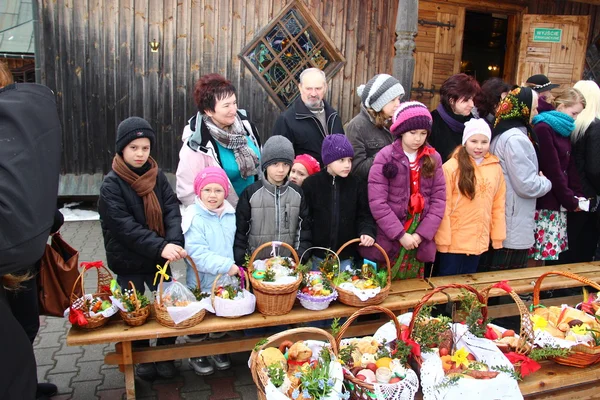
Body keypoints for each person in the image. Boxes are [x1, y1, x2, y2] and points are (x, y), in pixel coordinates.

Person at [98, 117, 186, 381]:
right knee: (134, 312)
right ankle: (140, 358)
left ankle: (165, 355)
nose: (140, 153)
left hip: (159, 259)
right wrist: (162, 246)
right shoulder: (111, 185)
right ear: (122, 149)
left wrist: (174, 242)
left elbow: (171, 209)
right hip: (129, 260)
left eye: (145, 148)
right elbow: (124, 228)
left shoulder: (157, 176)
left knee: (171, 308)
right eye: (134, 147)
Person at [0, 73, 62, 400]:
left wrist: (48, 217)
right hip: (13, 252)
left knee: (26, 322)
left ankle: (29, 382)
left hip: (17, 262)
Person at [366, 102, 446, 279]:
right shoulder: (385, 157)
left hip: (420, 232)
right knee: (385, 282)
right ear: (401, 131)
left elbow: (439, 200)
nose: (418, 138)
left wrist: (421, 234)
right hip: (392, 232)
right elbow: (377, 202)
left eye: (423, 133)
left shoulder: (433, 158)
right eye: (413, 132)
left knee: (414, 285)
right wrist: (400, 235)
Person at [479, 87, 552, 271]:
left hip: (509, 215)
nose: (536, 113)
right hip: (512, 218)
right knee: (506, 280)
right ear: (523, 109)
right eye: (534, 108)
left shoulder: (506, 132)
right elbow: (526, 185)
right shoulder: (515, 139)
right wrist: (546, 182)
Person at [182, 167, 239, 376]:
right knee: (201, 320)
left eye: (218, 190)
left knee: (220, 320)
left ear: (225, 192)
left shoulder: (230, 213)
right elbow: (196, 255)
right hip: (203, 281)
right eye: (207, 190)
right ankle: (197, 352)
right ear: (198, 192)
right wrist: (227, 266)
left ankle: (218, 350)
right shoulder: (194, 217)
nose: (213, 195)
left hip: (226, 280)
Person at [176, 74, 261, 208]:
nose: (234, 110)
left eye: (234, 102)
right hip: (224, 216)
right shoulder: (197, 144)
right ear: (209, 111)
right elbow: (187, 193)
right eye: (226, 105)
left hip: (254, 209)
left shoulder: (246, 126)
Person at [435, 118, 506, 275]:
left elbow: (498, 205)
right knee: (448, 284)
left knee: (470, 284)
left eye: (484, 142)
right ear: (465, 141)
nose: (479, 147)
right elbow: (443, 206)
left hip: (479, 240)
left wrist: (497, 236)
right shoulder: (451, 168)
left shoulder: (495, 168)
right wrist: (443, 240)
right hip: (454, 241)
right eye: (474, 141)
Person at [302, 134, 377, 268]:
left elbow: (364, 214)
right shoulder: (311, 185)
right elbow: (305, 218)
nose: (347, 165)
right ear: (328, 161)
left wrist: (367, 231)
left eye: (349, 160)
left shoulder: (357, 184)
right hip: (317, 254)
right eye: (341, 160)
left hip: (346, 254)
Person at [234, 135, 311, 265]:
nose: (281, 170)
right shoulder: (251, 194)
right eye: (275, 164)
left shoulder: (297, 194)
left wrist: (298, 259)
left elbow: (304, 230)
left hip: (288, 265)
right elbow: (241, 233)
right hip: (256, 266)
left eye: (286, 164)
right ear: (265, 164)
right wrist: (245, 263)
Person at [529, 88, 586, 262]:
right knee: (538, 254)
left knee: (548, 256)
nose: (574, 118)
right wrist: (569, 199)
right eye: (573, 113)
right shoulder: (544, 128)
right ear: (561, 107)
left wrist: (578, 194)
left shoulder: (562, 129)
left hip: (557, 201)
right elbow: (552, 169)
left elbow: (569, 166)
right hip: (546, 202)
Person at [272, 68, 344, 166]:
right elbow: (279, 160)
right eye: (309, 88)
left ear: (325, 87)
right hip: (304, 180)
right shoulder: (286, 120)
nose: (313, 94)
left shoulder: (334, 117)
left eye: (318, 88)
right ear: (300, 88)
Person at [564, 80, 600, 263]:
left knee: (567, 244)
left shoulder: (569, 125)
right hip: (587, 196)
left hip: (568, 191)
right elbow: (595, 168)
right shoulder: (594, 126)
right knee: (582, 247)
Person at [346, 74, 404, 181]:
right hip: (369, 192)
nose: (398, 104)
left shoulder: (399, 122)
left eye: (399, 99)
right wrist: (387, 153)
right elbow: (357, 170)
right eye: (393, 100)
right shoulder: (356, 126)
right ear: (379, 102)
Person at [429, 73, 480, 162]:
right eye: (466, 100)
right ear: (451, 100)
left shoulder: (474, 124)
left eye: (472, 99)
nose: (472, 105)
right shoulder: (432, 122)